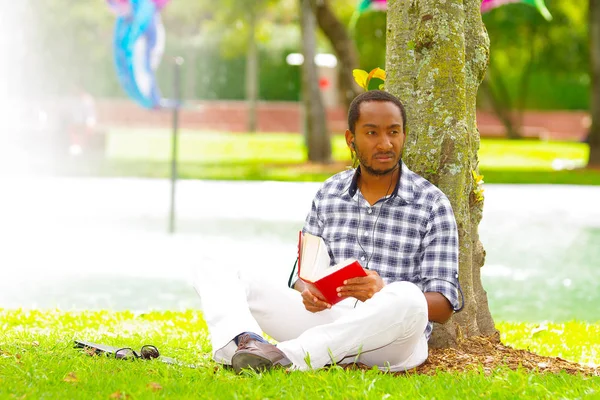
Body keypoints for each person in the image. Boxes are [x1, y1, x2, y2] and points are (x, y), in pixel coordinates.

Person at [194, 90, 461, 374]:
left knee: (407, 296)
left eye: (393, 132)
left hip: (392, 339)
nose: (385, 143)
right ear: (351, 140)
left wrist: (382, 292)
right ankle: (242, 345)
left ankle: (285, 356)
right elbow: (305, 271)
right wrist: (309, 291)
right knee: (213, 263)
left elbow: (443, 305)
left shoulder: (432, 203)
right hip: (328, 318)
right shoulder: (329, 193)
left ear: (404, 136)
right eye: (371, 133)